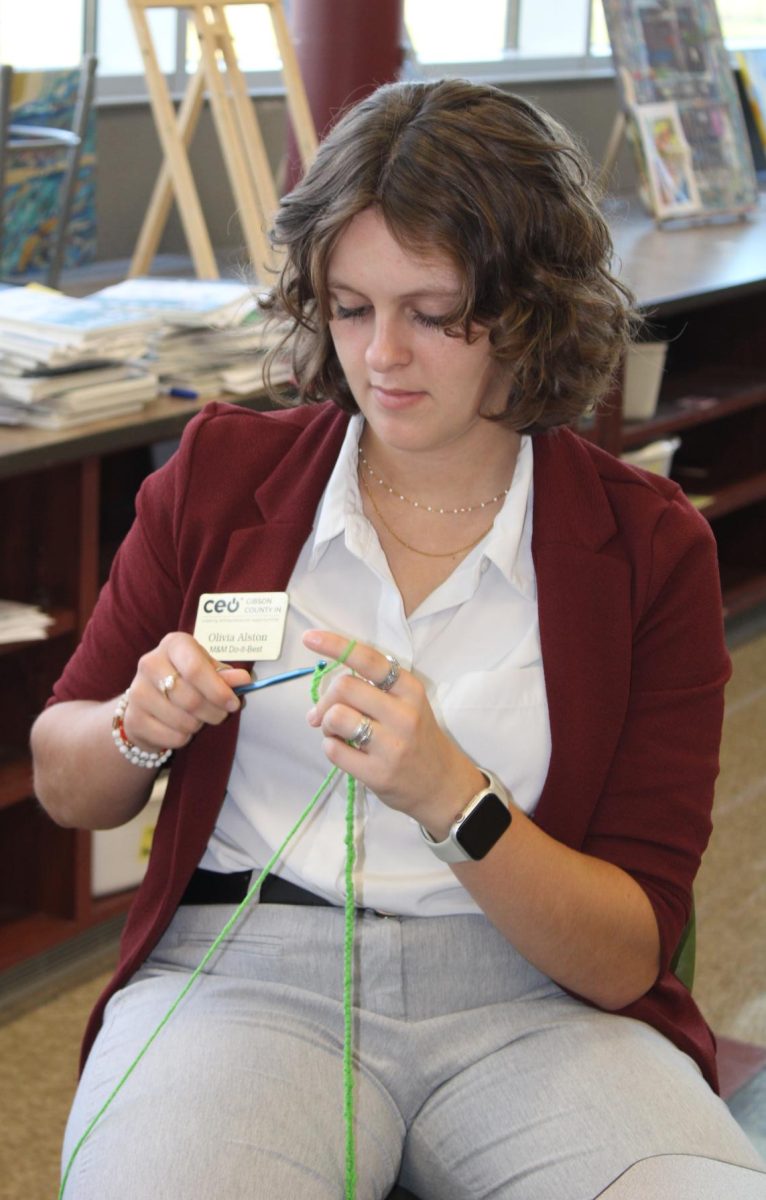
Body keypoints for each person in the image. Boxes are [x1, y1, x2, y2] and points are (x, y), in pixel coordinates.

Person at [32, 79, 766, 1200]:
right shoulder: (225, 477)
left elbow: (627, 951)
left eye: (431, 312)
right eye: (348, 305)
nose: (382, 357)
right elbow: (65, 783)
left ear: (530, 308)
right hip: (243, 976)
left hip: (535, 998)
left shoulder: (645, 546)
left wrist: (453, 799)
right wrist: (137, 725)